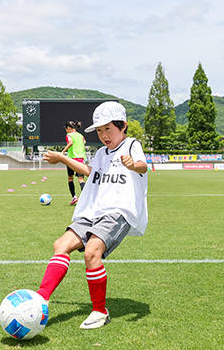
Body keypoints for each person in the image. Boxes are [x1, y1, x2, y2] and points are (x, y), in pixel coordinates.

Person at [39, 101, 148, 329]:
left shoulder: (131, 145)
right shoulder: (101, 153)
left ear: (123, 126)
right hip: (93, 210)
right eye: (99, 130)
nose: (103, 135)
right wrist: (62, 159)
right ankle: (41, 299)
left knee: (91, 253)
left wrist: (132, 164)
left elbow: (143, 166)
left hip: (118, 211)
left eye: (108, 128)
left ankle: (100, 311)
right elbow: (90, 172)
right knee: (60, 244)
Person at [61, 121, 87, 205]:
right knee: (81, 179)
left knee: (70, 178)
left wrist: (63, 152)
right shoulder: (80, 135)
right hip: (81, 158)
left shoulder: (69, 135)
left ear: (68, 128)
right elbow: (84, 142)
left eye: (66, 128)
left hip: (72, 159)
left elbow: (71, 142)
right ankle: (85, 197)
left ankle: (74, 197)